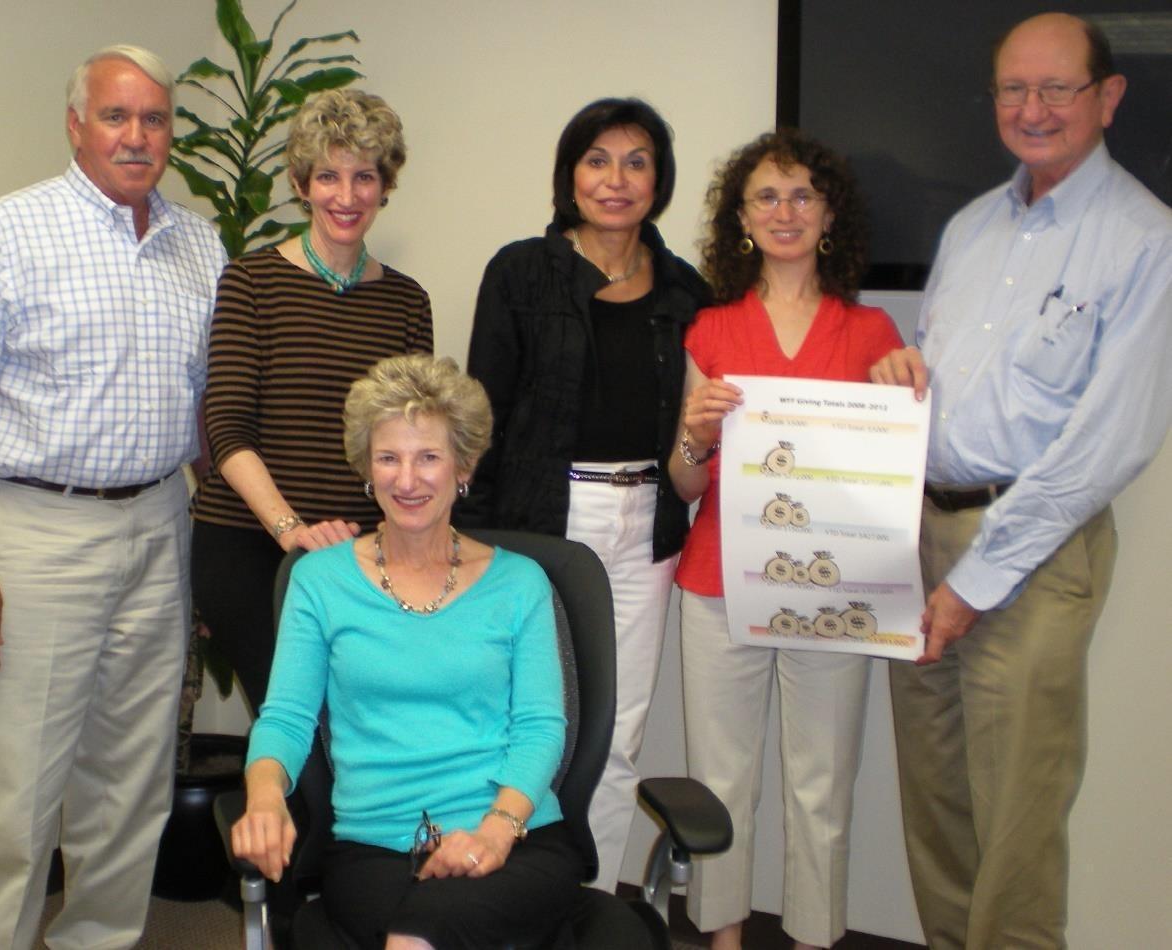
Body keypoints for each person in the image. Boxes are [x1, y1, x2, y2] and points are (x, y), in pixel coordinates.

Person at [0, 46, 227, 949]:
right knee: (15, 799)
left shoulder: (199, 243)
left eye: (155, 119)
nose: (137, 136)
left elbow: (207, 411)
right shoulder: (7, 231)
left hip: (161, 523)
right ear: (76, 125)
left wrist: (227, 546)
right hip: (37, 533)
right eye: (116, 116)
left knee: (129, 787)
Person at [869, 13, 1172, 949]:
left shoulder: (1143, 239)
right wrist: (902, 375)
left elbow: (1107, 443)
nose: (1031, 109)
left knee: (1017, 823)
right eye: (1012, 89)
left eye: (1056, 89)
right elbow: (954, 376)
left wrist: (972, 584)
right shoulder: (972, 225)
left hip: (1033, 555)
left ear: (1107, 97)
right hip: (921, 537)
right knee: (938, 805)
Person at [232, 354, 582, 949]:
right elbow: (287, 717)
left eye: (429, 457)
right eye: (388, 457)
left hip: (511, 837)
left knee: (417, 939)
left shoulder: (520, 583)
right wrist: (264, 797)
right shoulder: (320, 581)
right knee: (417, 934)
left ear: (464, 466)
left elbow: (540, 726)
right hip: (375, 846)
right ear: (367, 467)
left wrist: (496, 832)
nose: (407, 480)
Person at [461, 97, 709, 892]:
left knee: (615, 727)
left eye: (637, 161)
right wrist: (468, 536)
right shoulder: (520, 272)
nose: (616, 179)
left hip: (646, 523)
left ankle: (585, 902)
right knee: (522, 717)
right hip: (539, 521)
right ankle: (506, 894)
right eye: (597, 159)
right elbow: (480, 416)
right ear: (570, 174)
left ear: (659, 180)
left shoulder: (683, 288)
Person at [670, 129, 903, 950]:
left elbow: (895, 468)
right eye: (766, 196)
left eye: (803, 194)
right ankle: (723, 938)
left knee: (822, 787)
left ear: (830, 212)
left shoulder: (875, 335)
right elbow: (687, 482)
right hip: (718, 583)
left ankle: (813, 940)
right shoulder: (709, 329)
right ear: (741, 216)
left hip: (832, 590)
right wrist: (696, 436)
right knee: (721, 781)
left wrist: (910, 395)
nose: (785, 211)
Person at [191, 88, 433, 714]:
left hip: (360, 552)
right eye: (328, 176)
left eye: (364, 177)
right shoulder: (251, 280)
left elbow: (411, 442)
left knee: (356, 733)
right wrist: (290, 530)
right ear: (301, 184)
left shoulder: (407, 302)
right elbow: (225, 426)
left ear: (386, 186)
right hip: (249, 545)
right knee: (297, 724)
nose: (346, 197)